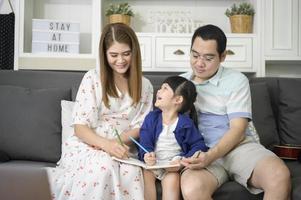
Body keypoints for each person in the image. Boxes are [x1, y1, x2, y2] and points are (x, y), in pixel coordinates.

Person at [180, 24, 291, 200]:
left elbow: (238, 130)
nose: (199, 63)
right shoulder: (180, 83)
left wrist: (211, 156)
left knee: (278, 175)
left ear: (223, 56)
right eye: (195, 55)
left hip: (239, 149)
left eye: (208, 58)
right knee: (192, 187)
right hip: (201, 151)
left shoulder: (236, 80)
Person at [47, 23, 153, 200]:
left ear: (134, 53)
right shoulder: (92, 78)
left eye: (126, 54)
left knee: (131, 172)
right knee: (102, 167)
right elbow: (80, 127)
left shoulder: (146, 86)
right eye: (114, 55)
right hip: (88, 144)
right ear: (104, 55)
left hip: (123, 146)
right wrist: (106, 145)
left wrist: (116, 145)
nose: (120, 60)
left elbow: (141, 126)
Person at [138, 76, 208, 200]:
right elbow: (145, 140)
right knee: (145, 176)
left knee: (173, 179)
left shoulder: (186, 123)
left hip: (171, 167)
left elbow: (199, 145)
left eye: (164, 88)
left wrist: (181, 161)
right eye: (160, 88)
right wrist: (146, 154)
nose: (159, 91)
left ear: (178, 99)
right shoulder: (151, 118)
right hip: (153, 164)